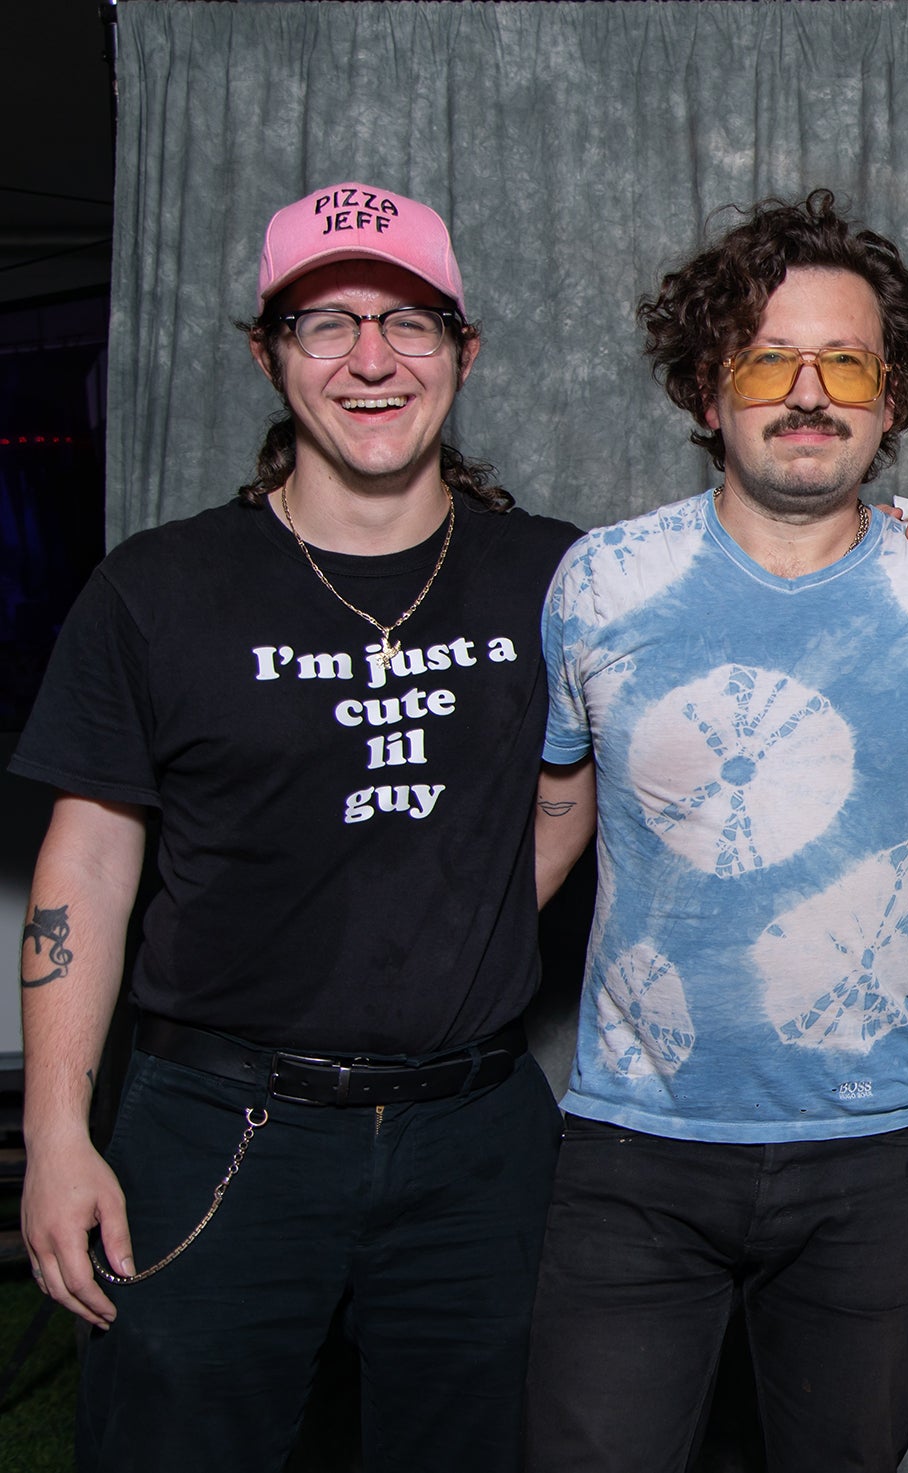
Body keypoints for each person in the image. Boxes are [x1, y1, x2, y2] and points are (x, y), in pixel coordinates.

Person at [12, 182, 587, 1470]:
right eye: (326, 324)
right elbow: (87, 862)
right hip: (216, 1125)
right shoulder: (157, 589)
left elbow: (582, 783)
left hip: (476, 1135)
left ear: (465, 352)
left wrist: (450, 932)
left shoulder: (558, 578)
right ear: (267, 356)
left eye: (408, 323)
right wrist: (56, 1136)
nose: (370, 360)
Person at [520, 192, 908, 1473]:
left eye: (846, 365)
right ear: (704, 387)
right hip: (633, 1148)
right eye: (766, 361)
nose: (808, 394)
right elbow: (551, 821)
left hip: (866, 1155)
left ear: (893, 400)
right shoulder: (602, 583)